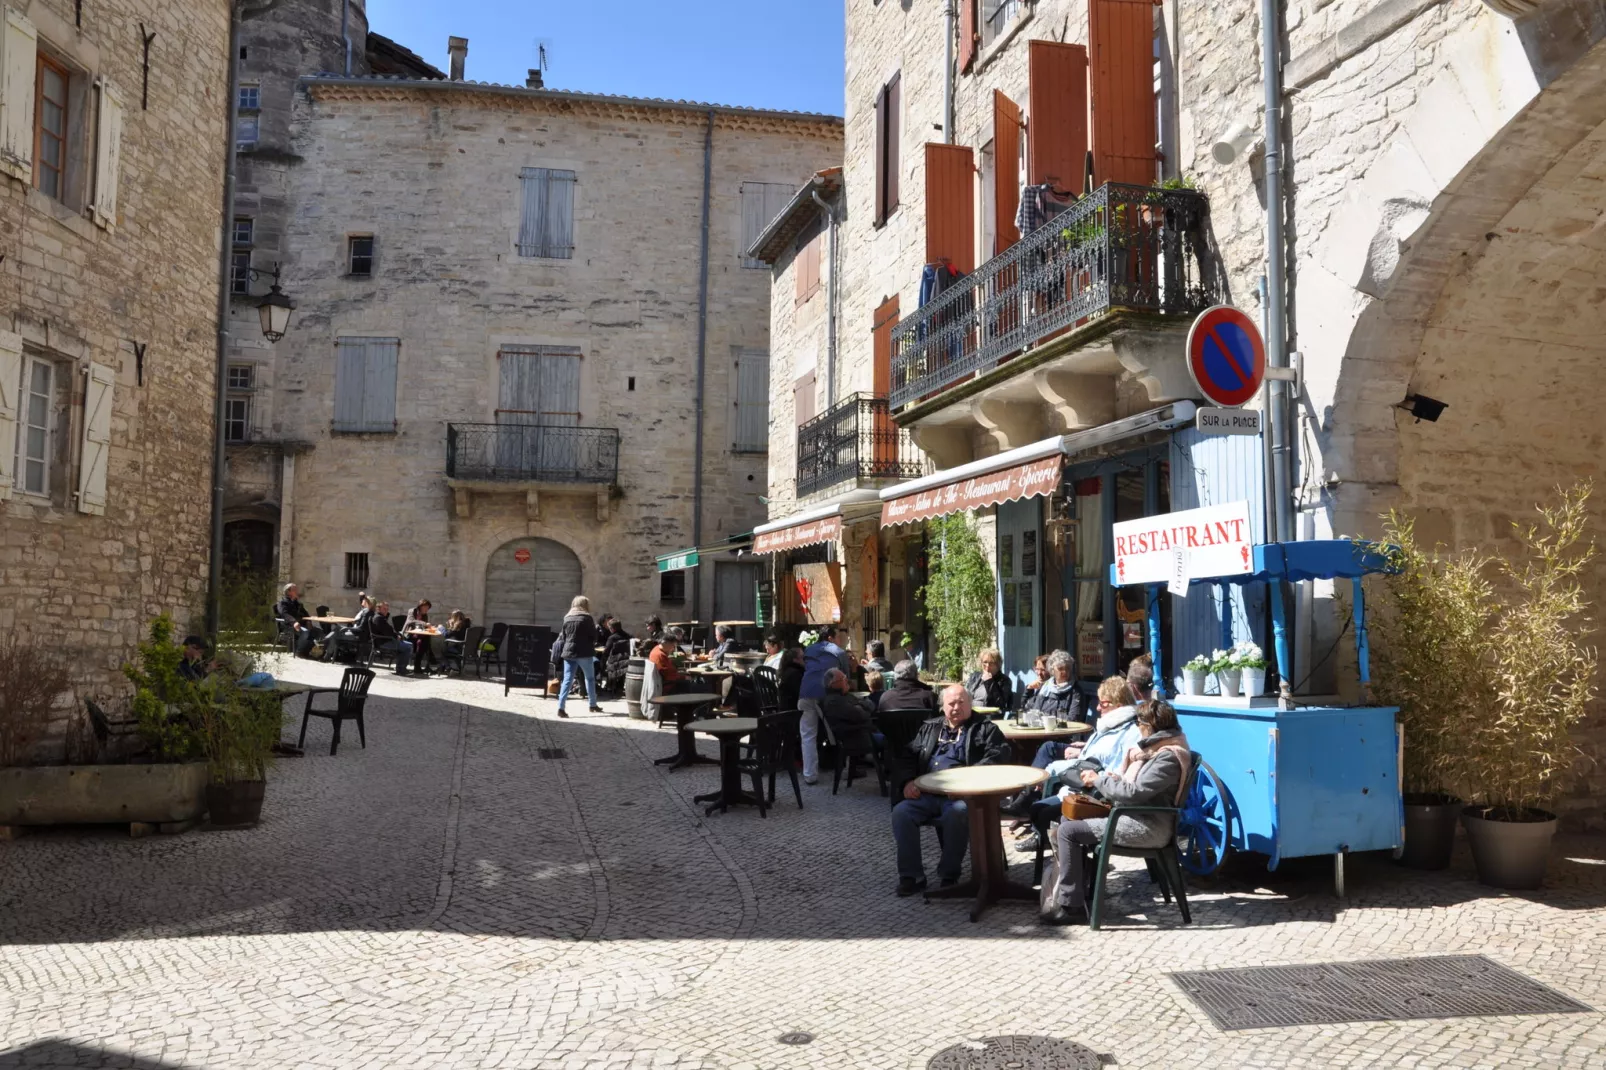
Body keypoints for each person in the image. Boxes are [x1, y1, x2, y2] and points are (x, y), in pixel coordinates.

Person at [1041, 699, 1191, 925]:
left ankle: (1071, 907)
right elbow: (1138, 788)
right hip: (1135, 814)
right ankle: (1078, 889)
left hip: (1147, 826)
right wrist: (1115, 780)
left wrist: (1100, 780)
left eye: (1139, 723)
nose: (1138, 728)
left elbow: (1134, 793)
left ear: (1149, 726)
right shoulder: (1155, 750)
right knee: (1067, 818)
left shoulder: (1167, 756)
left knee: (1068, 831)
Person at [888, 685, 1011, 896]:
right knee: (902, 812)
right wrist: (908, 781)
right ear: (942, 707)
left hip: (961, 796)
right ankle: (912, 876)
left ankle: (949, 874)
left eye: (961, 702)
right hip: (926, 793)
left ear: (971, 705)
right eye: (951, 703)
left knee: (958, 812)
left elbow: (997, 757)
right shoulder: (929, 728)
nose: (956, 707)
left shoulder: (986, 729)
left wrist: (965, 783)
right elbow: (906, 756)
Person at [1009, 675, 1141, 842]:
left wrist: (1096, 778)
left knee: (1044, 814)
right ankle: (1055, 851)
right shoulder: (1106, 727)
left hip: (1098, 797)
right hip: (1078, 788)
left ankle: (1062, 854)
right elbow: (1082, 763)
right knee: (1037, 809)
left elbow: (1120, 773)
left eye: (1103, 703)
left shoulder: (1131, 733)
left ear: (1119, 705)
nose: (1098, 708)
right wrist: (1049, 771)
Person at [799, 625, 853, 786]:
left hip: (806, 692)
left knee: (808, 735)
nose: (839, 640)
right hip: (827, 695)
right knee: (839, 731)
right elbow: (845, 678)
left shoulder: (808, 650)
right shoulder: (839, 652)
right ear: (830, 637)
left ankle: (810, 775)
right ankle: (846, 770)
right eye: (837, 636)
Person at [556, 595, 602, 718]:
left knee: (567, 680)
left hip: (569, 652)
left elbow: (564, 636)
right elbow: (594, 636)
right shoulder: (587, 618)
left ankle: (561, 707)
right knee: (590, 678)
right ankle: (592, 704)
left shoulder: (567, 618)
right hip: (584, 652)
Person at [820, 667, 877, 755]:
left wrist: (863, 707)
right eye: (843, 679)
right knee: (889, 739)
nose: (847, 681)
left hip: (859, 734)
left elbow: (869, 705)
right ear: (833, 684)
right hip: (853, 739)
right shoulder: (834, 701)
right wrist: (865, 712)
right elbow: (860, 714)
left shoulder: (844, 696)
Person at [1019, 650, 1083, 722]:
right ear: (1052, 670)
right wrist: (1029, 689)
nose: (1064, 672)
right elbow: (1033, 712)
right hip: (1040, 729)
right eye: (1060, 668)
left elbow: (1073, 720)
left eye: (1067, 668)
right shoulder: (1045, 687)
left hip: (1062, 731)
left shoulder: (1075, 692)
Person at [275, 583, 323, 658]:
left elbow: (306, 614)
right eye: (295, 590)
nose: (297, 591)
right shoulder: (282, 603)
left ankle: (308, 651)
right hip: (289, 626)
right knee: (305, 632)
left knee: (319, 632)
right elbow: (284, 614)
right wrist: (294, 622)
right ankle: (299, 652)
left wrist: (309, 621)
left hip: (301, 624)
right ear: (288, 592)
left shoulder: (297, 604)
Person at [369, 600, 410, 674]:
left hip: (385, 640)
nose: (386, 611)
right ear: (378, 609)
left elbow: (388, 630)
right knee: (408, 646)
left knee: (407, 644)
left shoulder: (380, 617)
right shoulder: (379, 618)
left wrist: (397, 635)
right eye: (384, 609)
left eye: (387, 609)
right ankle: (401, 669)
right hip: (383, 642)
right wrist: (396, 636)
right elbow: (387, 632)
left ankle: (400, 667)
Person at [403, 600, 440, 674]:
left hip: (418, 635)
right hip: (409, 635)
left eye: (428, 608)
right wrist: (425, 623)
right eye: (425, 607)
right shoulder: (412, 611)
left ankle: (420, 666)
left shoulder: (425, 615)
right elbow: (411, 621)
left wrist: (430, 627)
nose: (426, 609)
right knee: (425, 643)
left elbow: (424, 628)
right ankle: (431, 663)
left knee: (424, 641)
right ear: (420, 606)